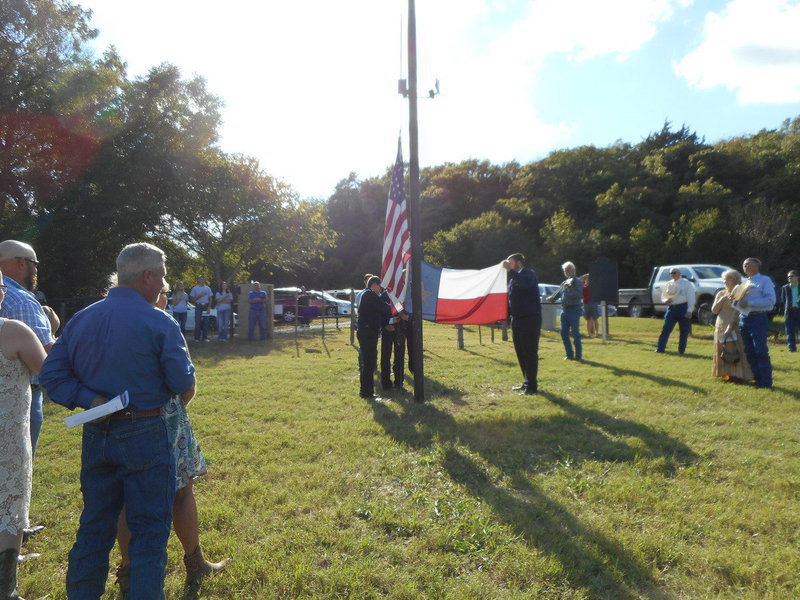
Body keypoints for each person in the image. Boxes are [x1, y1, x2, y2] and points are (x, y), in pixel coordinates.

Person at [40, 242, 196, 598]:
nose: (163, 285)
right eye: (163, 277)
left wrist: (91, 400)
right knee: (149, 534)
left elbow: (51, 376)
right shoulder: (159, 321)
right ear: (148, 276)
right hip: (146, 431)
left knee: (94, 527)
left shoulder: (82, 318)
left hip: (97, 432)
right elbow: (181, 383)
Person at [114, 288, 227, 597]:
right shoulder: (161, 321)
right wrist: (174, 410)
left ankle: (127, 572)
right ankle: (196, 563)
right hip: (165, 419)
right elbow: (185, 383)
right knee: (181, 492)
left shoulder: (104, 319)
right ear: (151, 289)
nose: (165, 295)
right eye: (163, 289)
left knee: (127, 497)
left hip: (117, 420)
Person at [0, 270, 47, 598]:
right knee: (10, 508)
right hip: (7, 439)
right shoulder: (12, 331)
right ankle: (6, 590)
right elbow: (47, 370)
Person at [0, 241, 54, 458]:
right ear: (21, 263)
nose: (36, 270)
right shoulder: (22, 301)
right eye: (35, 263)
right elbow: (46, 357)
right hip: (17, 399)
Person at [502, 253, 541, 395]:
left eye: (510, 262)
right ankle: (526, 382)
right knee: (520, 352)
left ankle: (532, 386)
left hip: (530, 318)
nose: (508, 265)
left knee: (529, 352)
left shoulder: (529, 274)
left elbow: (524, 284)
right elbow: (510, 299)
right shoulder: (512, 279)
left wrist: (510, 271)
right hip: (517, 319)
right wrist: (505, 316)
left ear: (518, 262)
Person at [738, 258, 776, 389]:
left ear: (757, 266)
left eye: (749, 264)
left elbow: (771, 300)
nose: (746, 266)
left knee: (760, 350)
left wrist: (749, 303)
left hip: (758, 318)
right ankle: (757, 379)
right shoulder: (744, 282)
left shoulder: (765, 281)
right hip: (744, 318)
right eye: (744, 265)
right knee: (749, 350)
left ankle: (765, 382)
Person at [711, 270, 754, 382]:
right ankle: (726, 373)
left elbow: (739, 311)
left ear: (734, 280)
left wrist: (730, 326)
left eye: (728, 278)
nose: (725, 281)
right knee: (722, 350)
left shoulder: (741, 293)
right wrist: (723, 299)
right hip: (720, 324)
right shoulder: (721, 293)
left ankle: (739, 375)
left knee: (735, 350)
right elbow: (714, 310)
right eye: (724, 279)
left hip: (734, 325)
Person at [357, 276, 391, 399]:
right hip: (368, 332)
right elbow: (384, 308)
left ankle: (366, 391)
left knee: (368, 363)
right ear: (374, 285)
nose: (380, 290)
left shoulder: (366, 295)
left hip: (367, 332)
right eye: (379, 286)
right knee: (368, 363)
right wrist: (396, 306)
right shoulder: (370, 295)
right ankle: (367, 392)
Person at [548, 261, 584, 361]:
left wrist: (571, 288)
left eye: (569, 270)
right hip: (564, 310)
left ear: (574, 270)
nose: (567, 272)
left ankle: (578, 356)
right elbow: (559, 293)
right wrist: (552, 298)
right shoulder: (564, 282)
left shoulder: (577, 282)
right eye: (565, 270)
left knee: (575, 333)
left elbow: (578, 295)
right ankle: (569, 355)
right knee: (564, 333)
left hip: (574, 309)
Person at [655, 268, 694, 355]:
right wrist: (665, 301)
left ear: (679, 273)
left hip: (683, 307)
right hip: (672, 308)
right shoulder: (669, 284)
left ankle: (681, 350)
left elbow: (691, 297)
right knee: (666, 329)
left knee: (684, 330)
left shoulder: (686, 283)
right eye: (671, 273)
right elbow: (663, 295)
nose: (673, 274)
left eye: (674, 272)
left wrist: (690, 310)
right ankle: (660, 349)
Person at [781, 270, 800, 352]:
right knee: (789, 330)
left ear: (797, 277)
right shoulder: (785, 288)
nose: (790, 278)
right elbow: (783, 300)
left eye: (792, 276)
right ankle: (792, 349)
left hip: (799, 310)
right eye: (788, 277)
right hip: (789, 311)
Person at [189, 276, 212, 342]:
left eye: (203, 279)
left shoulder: (208, 288)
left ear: (205, 280)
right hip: (198, 306)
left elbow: (210, 298)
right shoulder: (195, 288)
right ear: (198, 280)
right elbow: (192, 299)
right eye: (200, 279)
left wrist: (209, 307)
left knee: (206, 322)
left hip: (205, 306)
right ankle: (197, 338)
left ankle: (205, 338)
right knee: (198, 322)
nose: (202, 280)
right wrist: (200, 295)